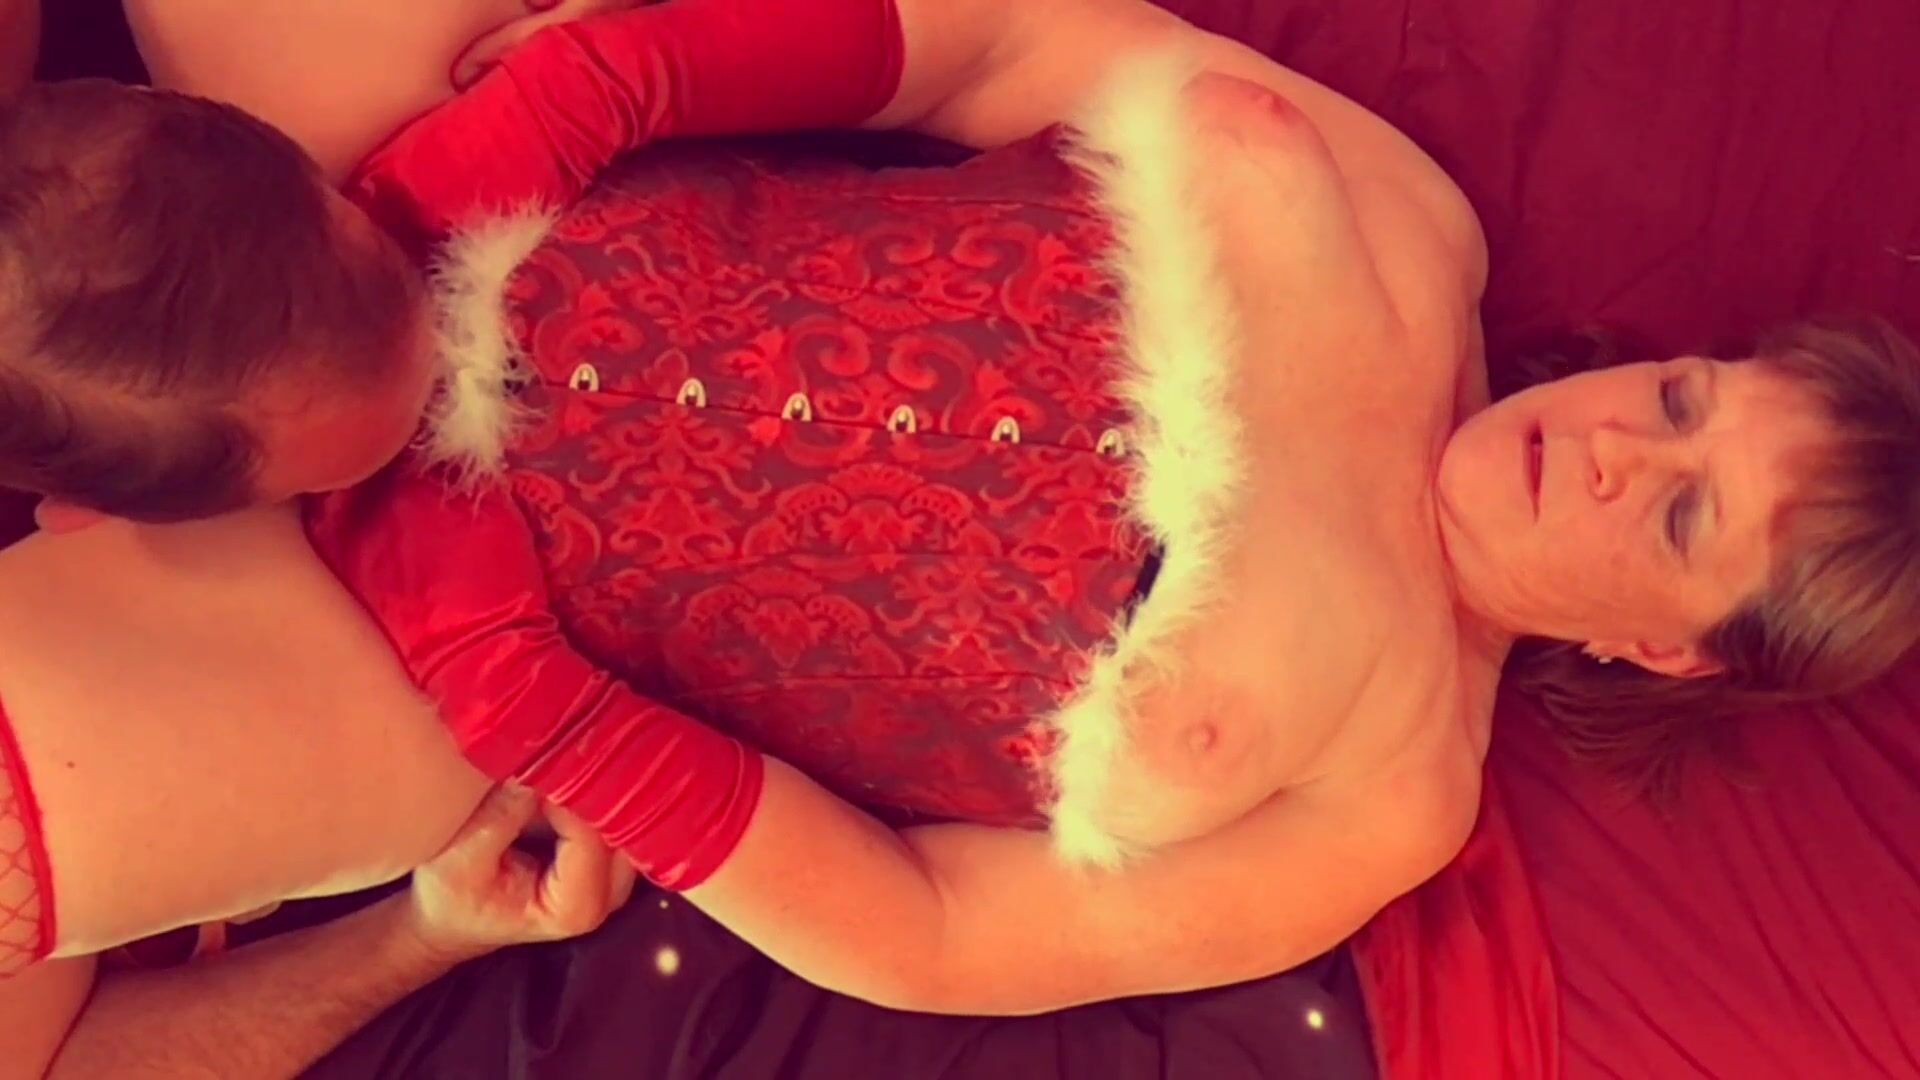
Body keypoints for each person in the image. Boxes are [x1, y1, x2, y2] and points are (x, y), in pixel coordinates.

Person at [6, 0, 1920, 1032]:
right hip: (470, 203)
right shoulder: (1417, 223)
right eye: (1686, 399)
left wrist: (557, 728)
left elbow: (929, 937)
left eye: (1684, 518)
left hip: (458, 656)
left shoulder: (1399, 791)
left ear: (1663, 650)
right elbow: (998, 44)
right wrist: (635, 69)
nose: (1618, 444)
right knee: (83, 221)